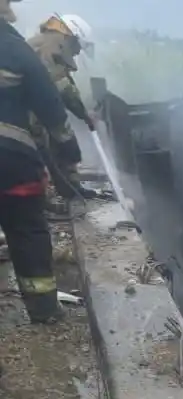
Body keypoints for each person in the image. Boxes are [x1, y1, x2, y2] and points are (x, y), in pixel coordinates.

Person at [0, 1, 82, 323]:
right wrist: (71, 155)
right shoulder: (18, 52)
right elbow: (53, 112)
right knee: (27, 229)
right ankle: (44, 309)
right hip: (12, 163)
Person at [27, 14, 93, 203]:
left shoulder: (43, 42)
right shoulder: (52, 47)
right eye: (78, 48)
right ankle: (39, 202)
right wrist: (84, 114)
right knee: (45, 145)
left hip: (23, 109)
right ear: (72, 38)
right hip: (23, 113)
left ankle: (68, 189)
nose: (77, 53)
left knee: (53, 142)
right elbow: (62, 89)